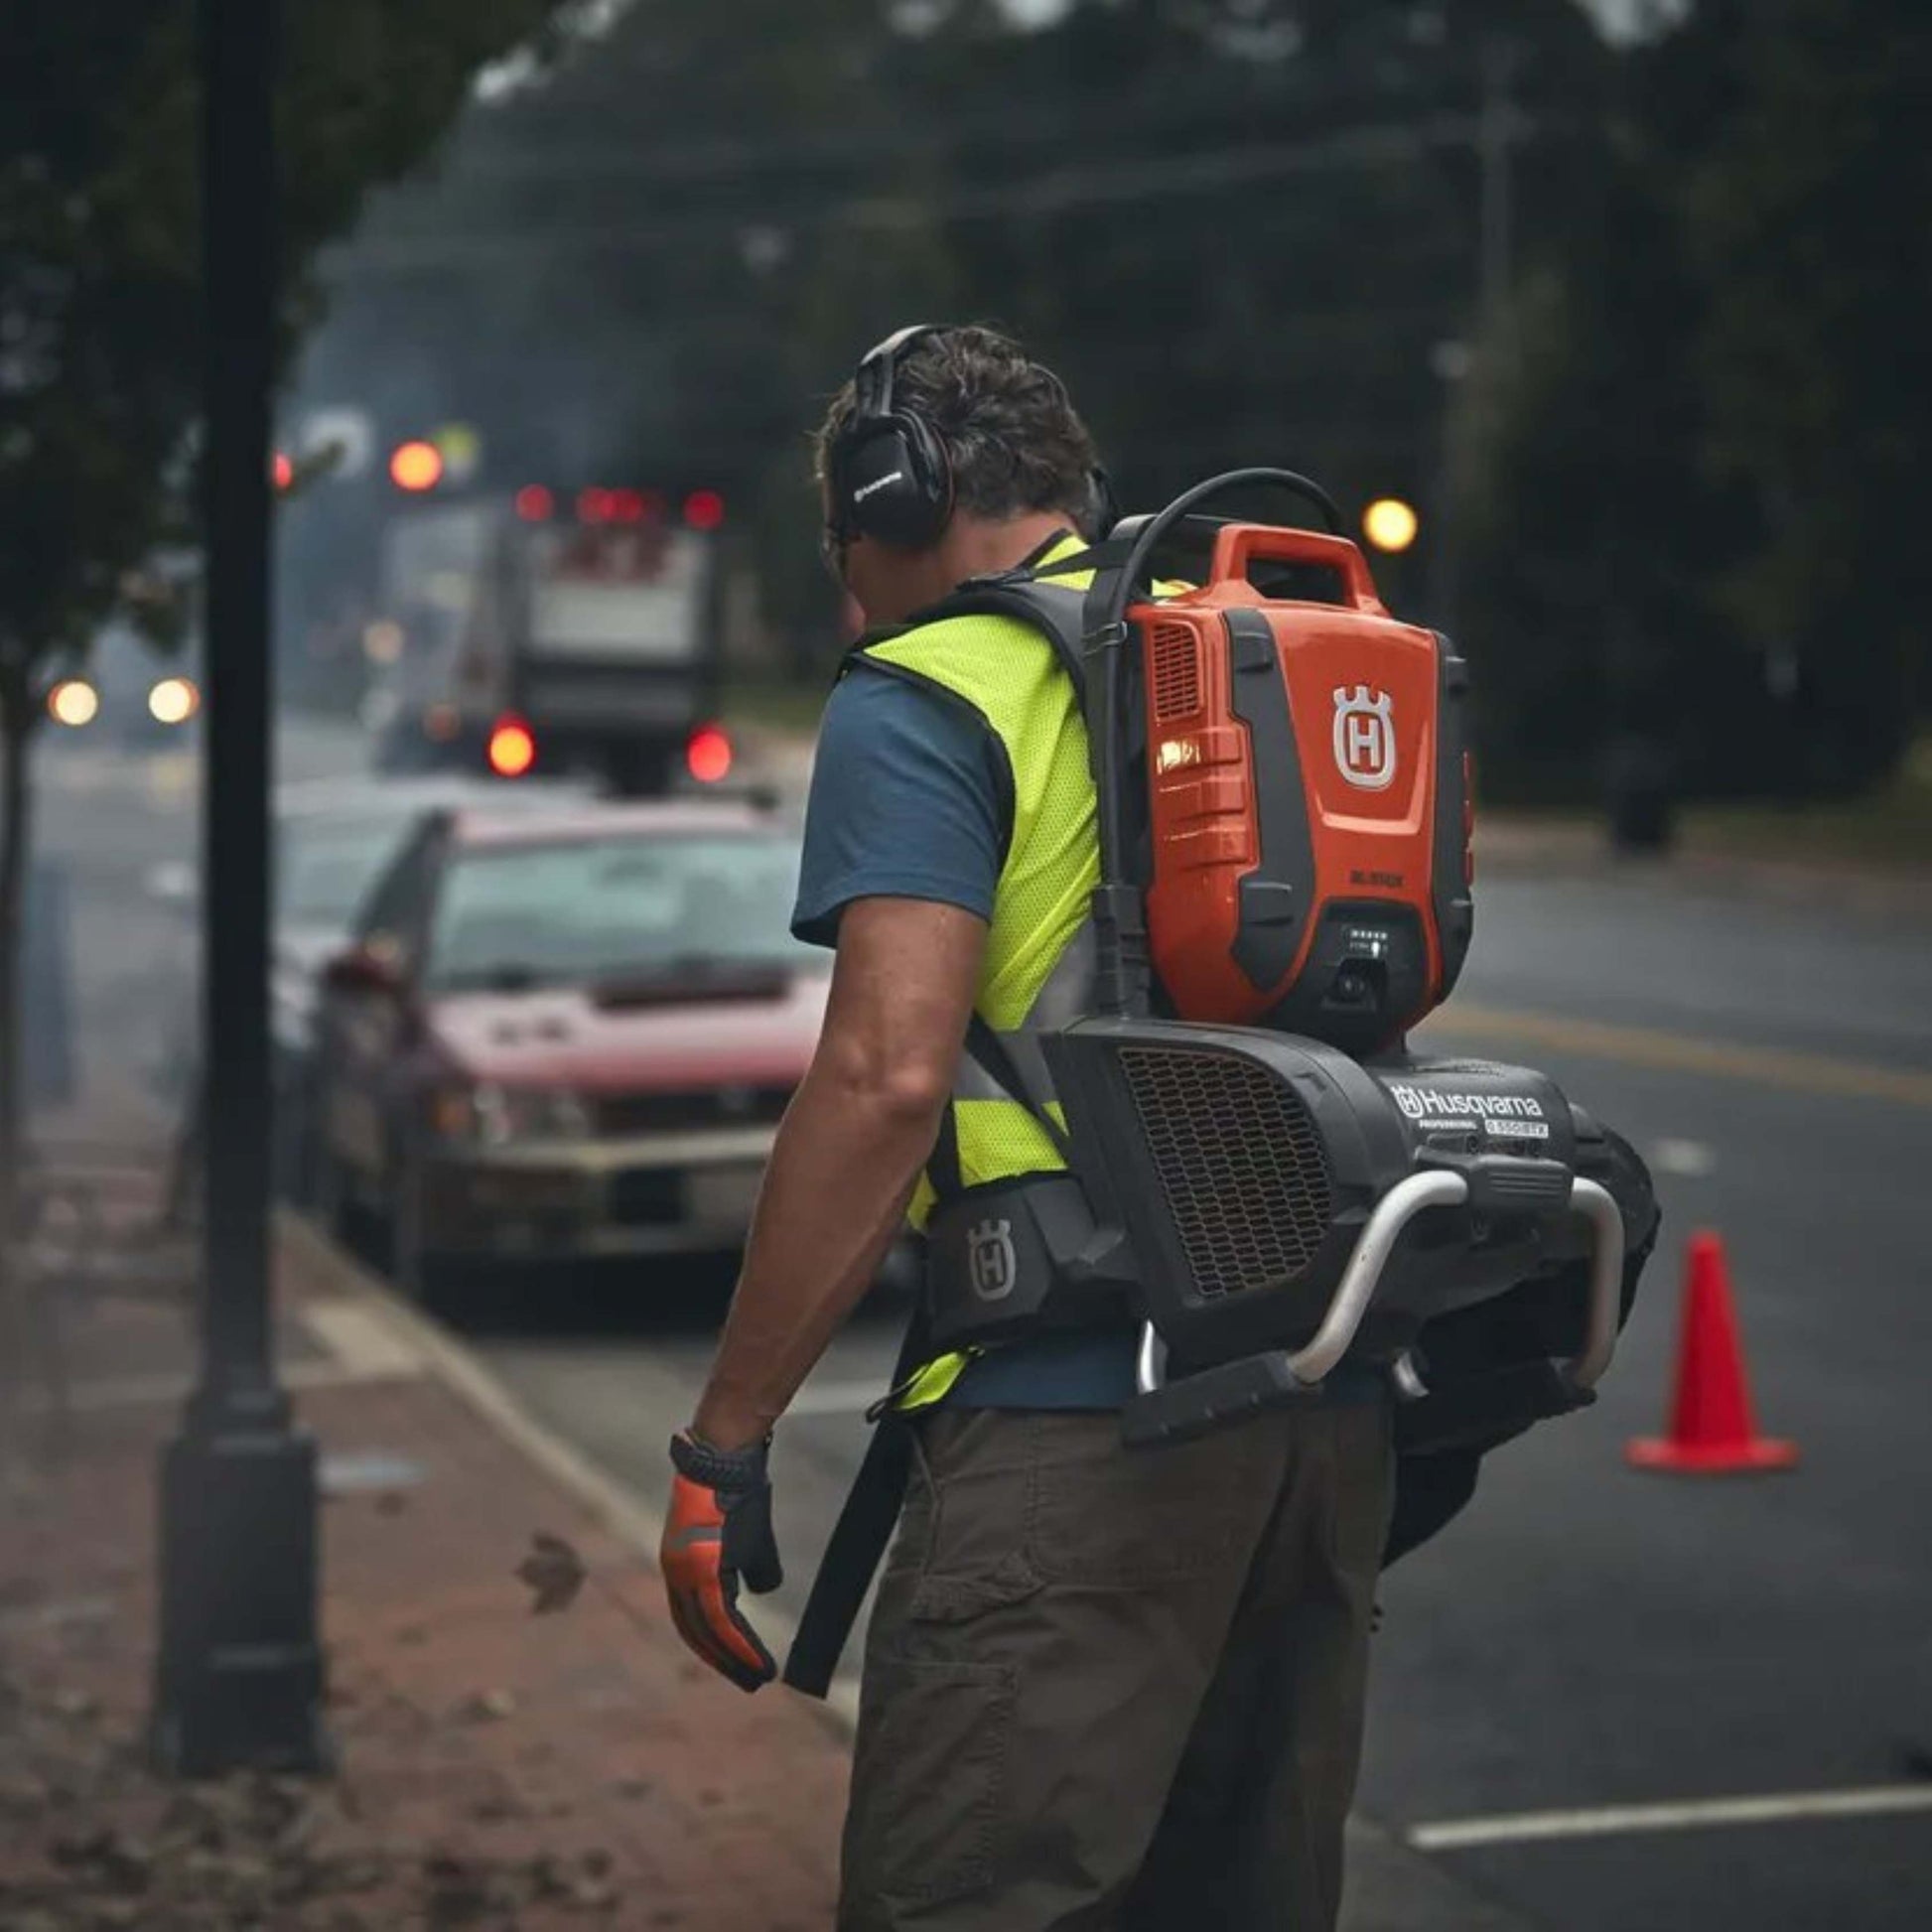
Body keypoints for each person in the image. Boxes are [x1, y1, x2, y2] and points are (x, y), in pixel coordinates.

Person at [659, 325, 1394, 1931]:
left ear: (890, 500)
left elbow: (882, 1079)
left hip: (1075, 1436)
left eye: (845, 551)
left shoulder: (930, 689)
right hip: (1314, 1429)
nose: (851, 592)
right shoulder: (1240, 664)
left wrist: (725, 1437)